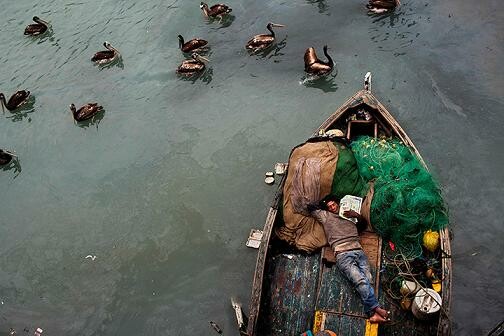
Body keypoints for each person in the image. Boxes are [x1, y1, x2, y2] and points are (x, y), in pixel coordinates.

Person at [308, 195, 390, 323]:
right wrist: (323, 203)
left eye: (333, 204)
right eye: (329, 207)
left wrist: (356, 215)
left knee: (368, 280)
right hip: (343, 253)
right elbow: (310, 207)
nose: (332, 207)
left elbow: (363, 226)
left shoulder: (349, 214)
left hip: (358, 250)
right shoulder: (325, 216)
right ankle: (376, 308)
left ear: (338, 203)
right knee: (360, 281)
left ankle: (372, 314)